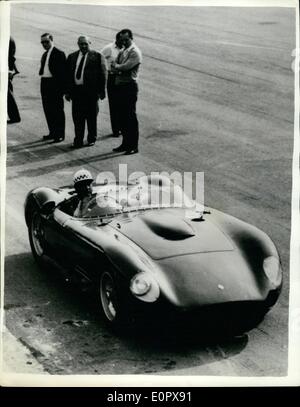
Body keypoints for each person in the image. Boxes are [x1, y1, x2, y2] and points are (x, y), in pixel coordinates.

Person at [65, 35, 107, 148]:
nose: (83, 46)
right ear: (78, 44)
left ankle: (91, 138)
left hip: (91, 93)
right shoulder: (72, 56)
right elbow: (68, 75)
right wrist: (68, 92)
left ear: (90, 43)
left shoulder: (97, 56)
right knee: (77, 118)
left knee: (91, 117)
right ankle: (78, 140)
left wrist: (102, 91)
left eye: (86, 44)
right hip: (77, 92)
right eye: (81, 44)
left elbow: (103, 74)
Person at [111, 29, 142, 155]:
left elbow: (125, 66)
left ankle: (133, 145)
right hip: (121, 86)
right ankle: (125, 143)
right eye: (122, 39)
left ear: (131, 38)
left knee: (130, 117)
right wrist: (118, 68)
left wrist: (117, 68)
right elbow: (115, 65)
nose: (123, 41)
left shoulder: (135, 52)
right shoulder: (124, 50)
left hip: (129, 87)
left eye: (126, 39)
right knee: (122, 117)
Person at [39, 33, 66, 143]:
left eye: (46, 42)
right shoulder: (45, 54)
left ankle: (59, 134)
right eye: (42, 42)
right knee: (48, 109)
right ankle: (52, 132)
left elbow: (63, 73)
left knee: (57, 110)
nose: (44, 44)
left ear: (52, 40)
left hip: (54, 84)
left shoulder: (59, 53)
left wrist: (62, 89)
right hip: (45, 83)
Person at [101, 32, 123, 138]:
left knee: (123, 104)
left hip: (123, 78)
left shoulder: (126, 49)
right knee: (114, 104)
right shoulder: (109, 48)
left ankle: (122, 127)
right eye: (121, 40)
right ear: (117, 39)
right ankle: (116, 129)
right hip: (112, 77)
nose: (123, 42)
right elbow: (99, 58)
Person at [7, 37, 21, 124]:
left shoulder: (7, 39)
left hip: (6, 70)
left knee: (8, 94)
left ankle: (15, 117)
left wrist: (10, 71)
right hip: (8, 69)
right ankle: (14, 116)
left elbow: (10, 57)